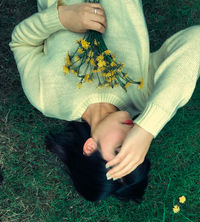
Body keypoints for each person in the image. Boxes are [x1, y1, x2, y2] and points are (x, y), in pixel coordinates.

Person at [9, 0, 200, 202]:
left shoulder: (47, 99)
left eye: (120, 148)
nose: (132, 131)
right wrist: (148, 128)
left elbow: (20, 42)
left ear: (90, 147)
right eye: (136, 144)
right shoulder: (143, 95)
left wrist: (62, 18)